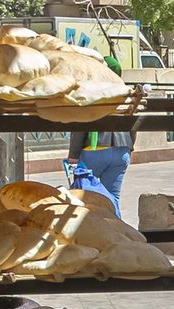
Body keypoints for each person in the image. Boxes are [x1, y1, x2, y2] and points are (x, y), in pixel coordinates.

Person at [66, 59, 133, 219]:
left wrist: (73, 156)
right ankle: (116, 230)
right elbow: (133, 124)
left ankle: (87, 229)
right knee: (113, 197)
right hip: (121, 152)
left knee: (84, 196)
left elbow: (80, 126)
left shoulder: (91, 93)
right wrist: (129, 149)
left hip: (94, 152)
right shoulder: (126, 94)